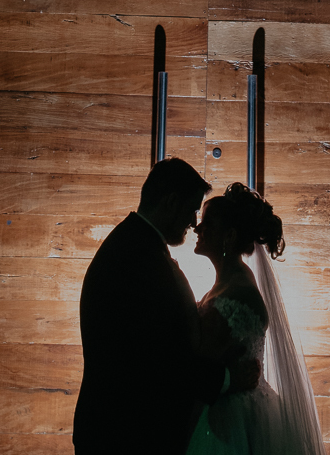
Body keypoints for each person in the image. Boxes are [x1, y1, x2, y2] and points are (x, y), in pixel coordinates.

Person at [73, 158, 256, 455]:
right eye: (192, 209)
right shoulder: (140, 260)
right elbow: (159, 359)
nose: (194, 222)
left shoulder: (136, 245)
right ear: (172, 202)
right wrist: (227, 378)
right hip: (124, 436)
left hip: (120, 430)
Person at [186, 183, 326, 455]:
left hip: (230, 418)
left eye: (207, 223)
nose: (197, 229)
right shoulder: (229, 283)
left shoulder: (237, 295)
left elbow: (202, 356)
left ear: (229, 236)